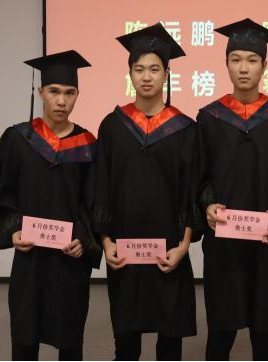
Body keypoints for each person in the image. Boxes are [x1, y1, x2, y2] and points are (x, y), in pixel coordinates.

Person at [0, 50, 101, 361]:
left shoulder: (88, 145)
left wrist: (84, 240)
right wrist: (14, 230)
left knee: (70, 339)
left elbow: (94, 201)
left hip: (69, 260)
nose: (62, 101)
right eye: (54, 91)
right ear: (40, 91)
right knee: (25, 334)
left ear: (77, 95)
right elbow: (2, 194)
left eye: (69, 93)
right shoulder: (18, 139)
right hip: (30, 258)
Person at [92, 23, 200, 361]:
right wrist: (106, 242)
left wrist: (184, 246)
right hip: (124, 250)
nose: (147, 77)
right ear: (130, 74)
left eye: (154, 69)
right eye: (139, 69)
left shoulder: (185, 129)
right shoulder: (113, 126)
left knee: (170, 342)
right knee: (126, 344)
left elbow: (192, 189)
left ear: (167, 74)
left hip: (169, 250)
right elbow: (101, 187)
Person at [197, 18, 268, 361]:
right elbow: (200, 178)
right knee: (221, 329)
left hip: (267, 241)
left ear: (264, 65)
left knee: (265, 330)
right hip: (223, 242)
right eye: (236, 59)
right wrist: (208, 205)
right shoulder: (210, 117)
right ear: (226, 63)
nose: (244, 68)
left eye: (252, 60)